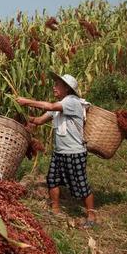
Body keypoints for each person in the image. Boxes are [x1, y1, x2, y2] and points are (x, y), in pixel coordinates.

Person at [16, 73, 96, 228]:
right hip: (59, 152)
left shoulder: (72, 102)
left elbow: (50, 106)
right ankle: (55, 209)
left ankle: (91, 215)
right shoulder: (59, 105)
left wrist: (27, 102)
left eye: (57, 85)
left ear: (66, 88)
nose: (54, 87)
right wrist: (23, 117)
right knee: (52, 179)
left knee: (81, 183)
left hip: (74, 152)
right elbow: (39, 121)